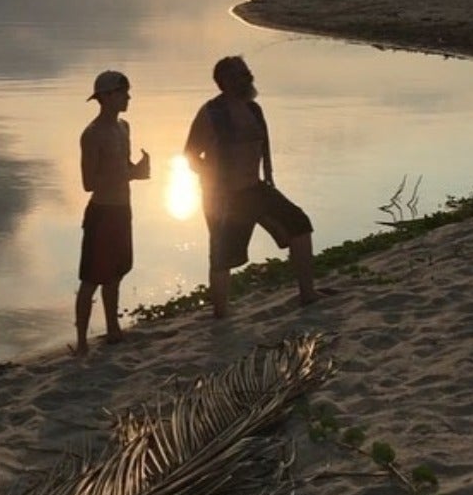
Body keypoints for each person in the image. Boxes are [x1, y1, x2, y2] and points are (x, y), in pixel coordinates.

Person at [184, 55, 317, 317]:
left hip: (256, 189)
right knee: (222, 254)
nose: (249, 77)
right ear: (226, 82)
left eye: (248, 72)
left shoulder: (254, 109)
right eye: (242, 74)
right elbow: (190, 154)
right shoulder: (211, 113)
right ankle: (221, 314)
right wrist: (213, 177)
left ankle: (307, 294)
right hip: (224, 197)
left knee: (300, 225)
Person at [75, 70, 151, 355]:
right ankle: (82, 341)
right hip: (102, 212)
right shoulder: (92, 134)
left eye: (127, 91)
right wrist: (128, 175)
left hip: (123, 210)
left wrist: (138, 170)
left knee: (116, 273)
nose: (128, 96)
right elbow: (88, 182)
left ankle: (112, 329)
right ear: (106, 97)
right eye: (122, 92)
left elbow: (124, 168)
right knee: (91, 279)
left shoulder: (124, 127)